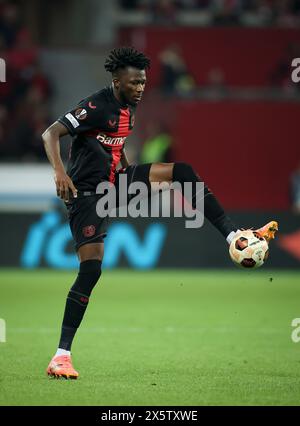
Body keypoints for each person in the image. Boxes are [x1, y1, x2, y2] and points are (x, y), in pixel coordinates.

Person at [42, 47, 278, 379]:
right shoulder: (96, 106)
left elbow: (115, 142)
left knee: (181, 172)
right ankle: (60, 356)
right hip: (87, 195)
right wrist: (59, 173)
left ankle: (233, 235)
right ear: (116, 81)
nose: (140, 88)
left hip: (115, 184)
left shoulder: (129, 109)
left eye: (143, 82)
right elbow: (50, 133)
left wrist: (133, 176)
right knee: (91, 270)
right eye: (134, 82)